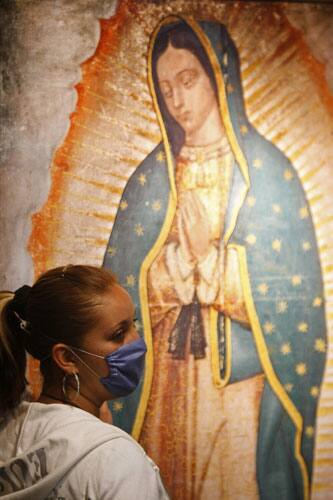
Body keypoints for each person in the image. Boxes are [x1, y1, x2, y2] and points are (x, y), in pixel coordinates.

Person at [103, 15, 327, 500]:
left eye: (188, 80)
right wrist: (174, 273)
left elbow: (294, 304)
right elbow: (116, 290)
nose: (178, 100)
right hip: (164, 383)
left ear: (219, 76)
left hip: (236, 393)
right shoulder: (151, 179)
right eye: (166, 88)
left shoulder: (267, 175)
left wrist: (210, 262)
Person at [0, 264, 169, 499]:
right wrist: (104, 441)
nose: (138, 342)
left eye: (134, 324)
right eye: (119, 334)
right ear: (67, 358)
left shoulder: (8, 432)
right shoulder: (117, 461)